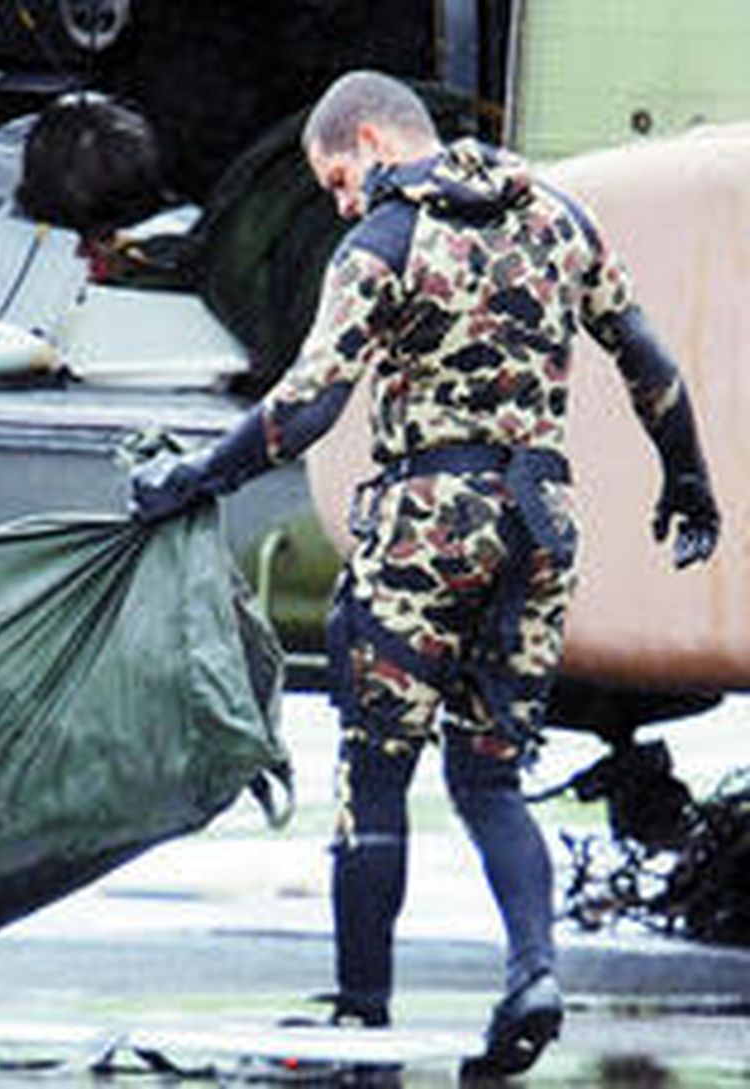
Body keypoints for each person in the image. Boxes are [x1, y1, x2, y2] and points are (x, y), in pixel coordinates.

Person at [128, 70, 719, 1077]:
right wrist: (688, 479)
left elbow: (306, 407)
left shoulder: (383, 244)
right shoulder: (556, 217)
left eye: (335, 180)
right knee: (490, 776)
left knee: (374, 772)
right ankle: (533, 974)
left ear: (369, 141)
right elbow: (646, 356)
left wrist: (194, 478)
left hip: (426, 528)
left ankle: (363, 1011)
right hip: (540, 526)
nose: (338, 203)